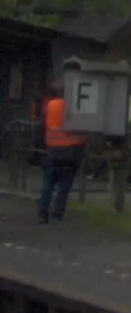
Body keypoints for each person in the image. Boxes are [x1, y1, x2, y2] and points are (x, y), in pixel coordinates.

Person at [36, 76, 86, 224]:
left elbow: (41, 127)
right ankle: (57, 214)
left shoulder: (50, 106)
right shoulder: (75, 107)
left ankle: (42, 213)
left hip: (52, 150)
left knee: (47, 184)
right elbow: (81, 130)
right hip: (71, 151)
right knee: (64, 185)